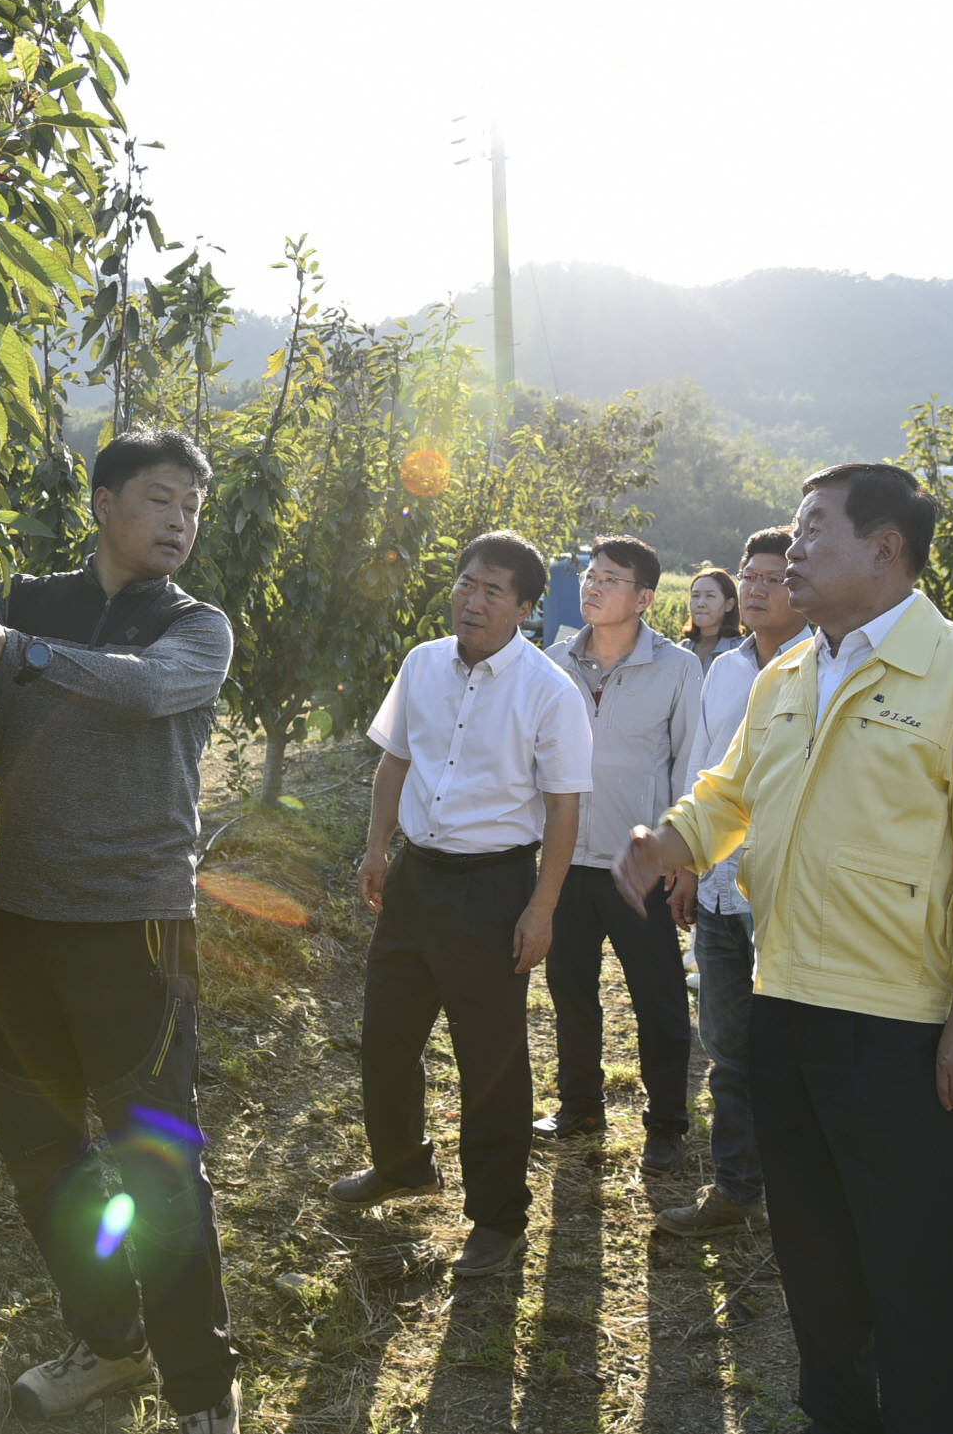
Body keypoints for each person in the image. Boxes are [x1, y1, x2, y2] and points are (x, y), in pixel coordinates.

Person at [615, 462, 953, 1432]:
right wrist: (670, 840)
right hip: (786, 1002)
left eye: (813, 531)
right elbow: (730, 792)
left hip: (896, 1021)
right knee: (812, 1250)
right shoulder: (789, 673)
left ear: (885, 549)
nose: (791, 549)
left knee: (909, 1262)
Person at [0, 429, 243, 1434]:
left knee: (159, 1166)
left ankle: (203, 1389)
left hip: (134, 926)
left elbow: (142, 688)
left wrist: (18, 652)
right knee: (41, 1150)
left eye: (193, 505)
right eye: (161, 497)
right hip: (21, 921)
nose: (181, 520)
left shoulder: (196, 626)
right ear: (104, 500)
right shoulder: (27, 598)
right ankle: (109, 1340)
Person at [328, 531, 594, 1282]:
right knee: (385, 1035)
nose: (472, 601)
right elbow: (396, 759)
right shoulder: (422, 664)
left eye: (492, 591)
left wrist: (541, 907)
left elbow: (564, 807)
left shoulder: (549, 691)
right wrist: (377, 848)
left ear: (527, 607)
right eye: (465, 584)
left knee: (490, 1062)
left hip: (492, 888)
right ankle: (402, 1164)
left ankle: (498, 1217)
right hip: (416, 878)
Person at [656, 526, 810, 1237]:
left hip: (786, 895)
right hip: (720, 891)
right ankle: (737, 1186)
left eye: (773, 578)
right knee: (726, 1050)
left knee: (793, 1054)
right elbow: (704, 770)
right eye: (749, 575)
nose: (755, 589)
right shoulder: (724, 668)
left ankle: (801, 1200)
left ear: (802, 585)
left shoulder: (825, 667)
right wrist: (687, 862)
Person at [538, 536, 706, 1173]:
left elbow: (692, 766)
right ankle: (580, 1104)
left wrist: (683, 859)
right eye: (591, 575)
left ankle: (666, 1122)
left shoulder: (678, 668)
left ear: (644, 598)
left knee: (658, 998)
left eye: (611, 578)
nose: (593, 586)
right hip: (565, 860)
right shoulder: (554, 660)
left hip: (639, 865)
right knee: (569, 989)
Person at [679, 565, 743, 671]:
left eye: (710, 596)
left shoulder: (743, 651)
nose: (700, 603)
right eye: (695, 596)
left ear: (729, 604)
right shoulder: (680, 650)